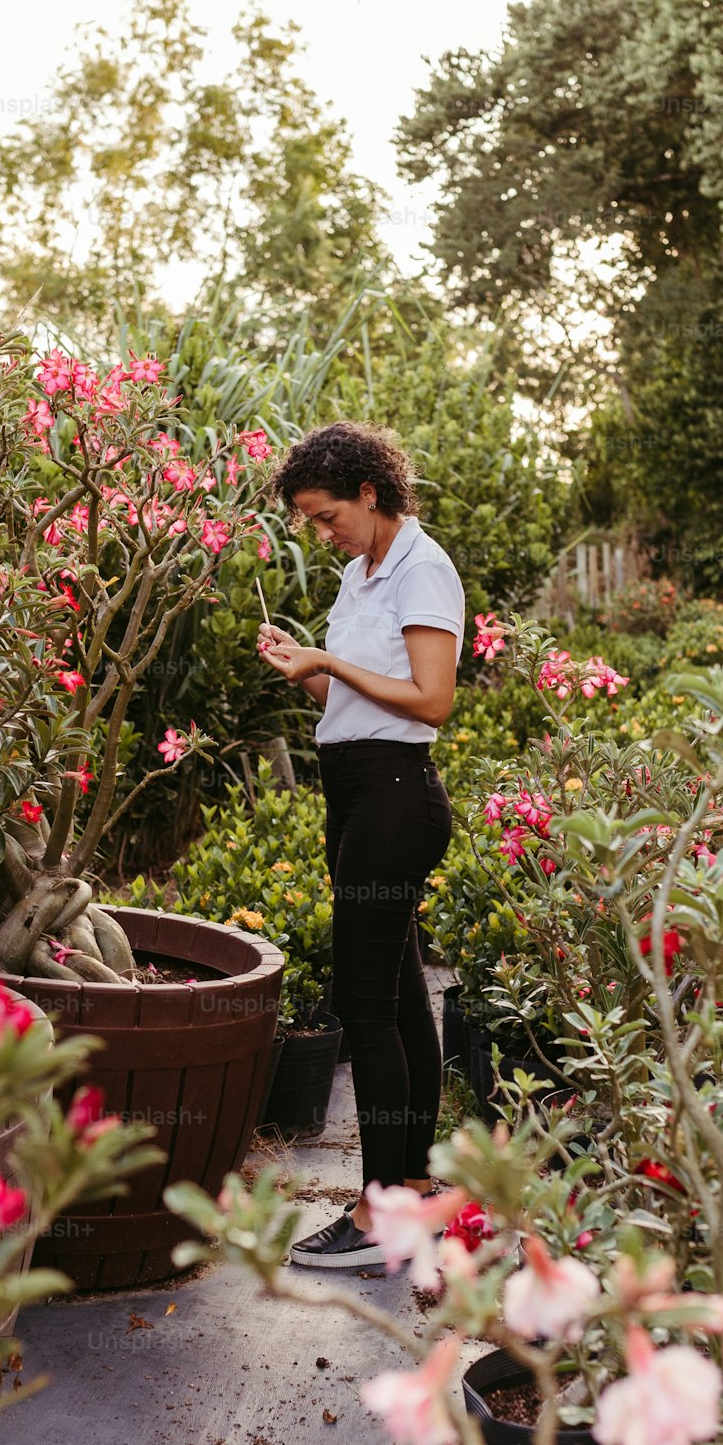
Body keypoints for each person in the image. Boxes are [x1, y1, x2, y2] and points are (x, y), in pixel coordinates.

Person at [257, 420, 465, 1269]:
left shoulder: (425, 567)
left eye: (325, 514)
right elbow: (347, 709)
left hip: (394, 796)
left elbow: (430, 701)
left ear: (370, 494)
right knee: (401, 995)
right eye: (309, 520)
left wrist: (334, 666)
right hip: (354, 790)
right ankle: (413, 1193)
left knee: (363, 1008)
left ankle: (380, 1217)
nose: (322, 531)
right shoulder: (359, 573)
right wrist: (307, 672)